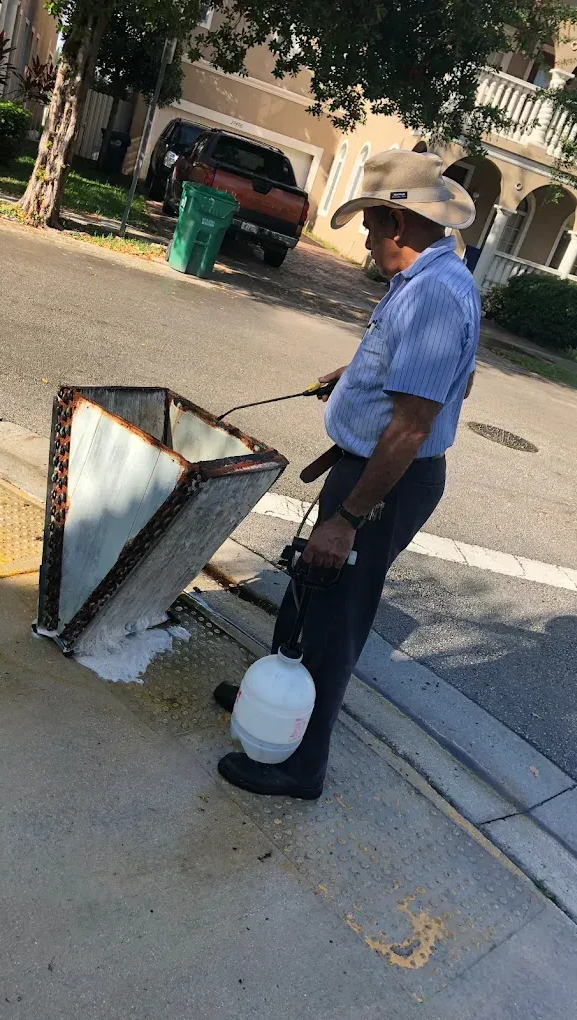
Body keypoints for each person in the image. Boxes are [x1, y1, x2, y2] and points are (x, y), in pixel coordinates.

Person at [215, 148, 481, 799]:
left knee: (335, 620)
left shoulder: (438, 297)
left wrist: (347, 520)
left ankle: (301, 765)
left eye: (368, 225)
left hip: (382, 486)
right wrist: (357, 377)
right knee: (308, 593)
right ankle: (273, 702)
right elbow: (445, 381)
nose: (365, 239)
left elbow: (413, 427)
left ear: (396, 222)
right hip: (368, 471)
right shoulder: (423, 283)